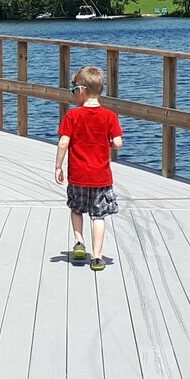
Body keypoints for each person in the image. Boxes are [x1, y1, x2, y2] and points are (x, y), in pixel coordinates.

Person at [54, 66, 123, 271]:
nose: (74, 94)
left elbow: (63, 143)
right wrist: (105, 143)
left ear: (82, 91)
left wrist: (58, 166)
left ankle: (79, 241)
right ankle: (97, 256)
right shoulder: (109, 116)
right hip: (101, 176)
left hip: (77, 175)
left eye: (74, 90)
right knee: (98, 216)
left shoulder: (72, 116)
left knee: (76, 209)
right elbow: (118, 143)